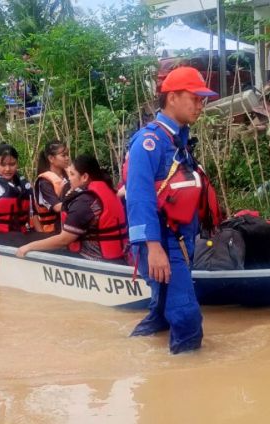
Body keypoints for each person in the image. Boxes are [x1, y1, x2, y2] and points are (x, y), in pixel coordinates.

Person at [125, 66, 218, 354]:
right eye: (196, 98)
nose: (200, 106)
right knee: (187, 317)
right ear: (173, 97)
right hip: (163, 242)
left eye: (203, 100)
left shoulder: (179, 140)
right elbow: (139, 199)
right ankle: (188, 380)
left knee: (162, 312)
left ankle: (142, 360)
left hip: (180, 240)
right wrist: (153, 248)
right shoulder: (149, 143)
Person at [16, 154, 128, 263]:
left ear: (84, 177)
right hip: (118, 257)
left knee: (39, 247)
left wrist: (28, 247)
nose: (69, 178)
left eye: (72, 174)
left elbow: (64, 240)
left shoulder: (85, 201)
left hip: (94, 260)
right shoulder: (110, 191)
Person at [0, 143, 45, 250]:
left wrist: (41, 235)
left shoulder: (23, 184)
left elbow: (32, 214)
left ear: (17, 163)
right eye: (3, 165)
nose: (7, 169)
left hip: (19, 234)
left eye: (12, 164)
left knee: (49, 240)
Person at [33, 139, 71, 233]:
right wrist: (79, 203)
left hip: (69, 228)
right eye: (63, 155)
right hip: (52, 231)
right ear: (51, 158)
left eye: (67, 155)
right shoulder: (44, 181)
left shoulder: (70, 175)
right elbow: (57, 207)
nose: (67, 158)